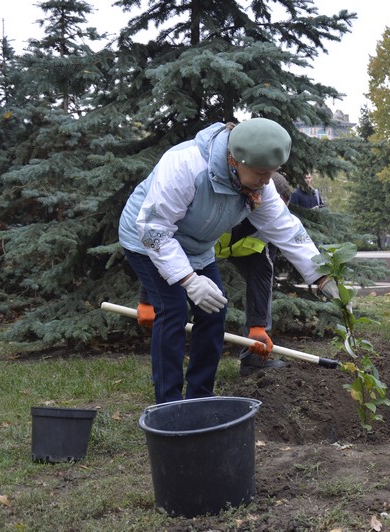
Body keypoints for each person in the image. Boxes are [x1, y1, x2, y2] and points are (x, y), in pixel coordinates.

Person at [119, 118, 339, 404]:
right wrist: (188, 279)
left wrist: (322, 276)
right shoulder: (185, 166)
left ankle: (201, 397)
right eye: (262, 173)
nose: (267, 181)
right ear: (235, 160)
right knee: (172, 311)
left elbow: (286, 228)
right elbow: (154, 229)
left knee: (214, 312)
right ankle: (169, 404)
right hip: (148, 239)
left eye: (272, 173)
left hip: (196, 247)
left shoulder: (257, 185)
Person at [213, 172, 292, 375]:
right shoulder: (227, 204)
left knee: (262, 294)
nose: (275, 217)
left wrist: (257, 327)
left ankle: (253, 360)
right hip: (204, 247)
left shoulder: (270, 231)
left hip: (245, 252)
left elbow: (262, 279)